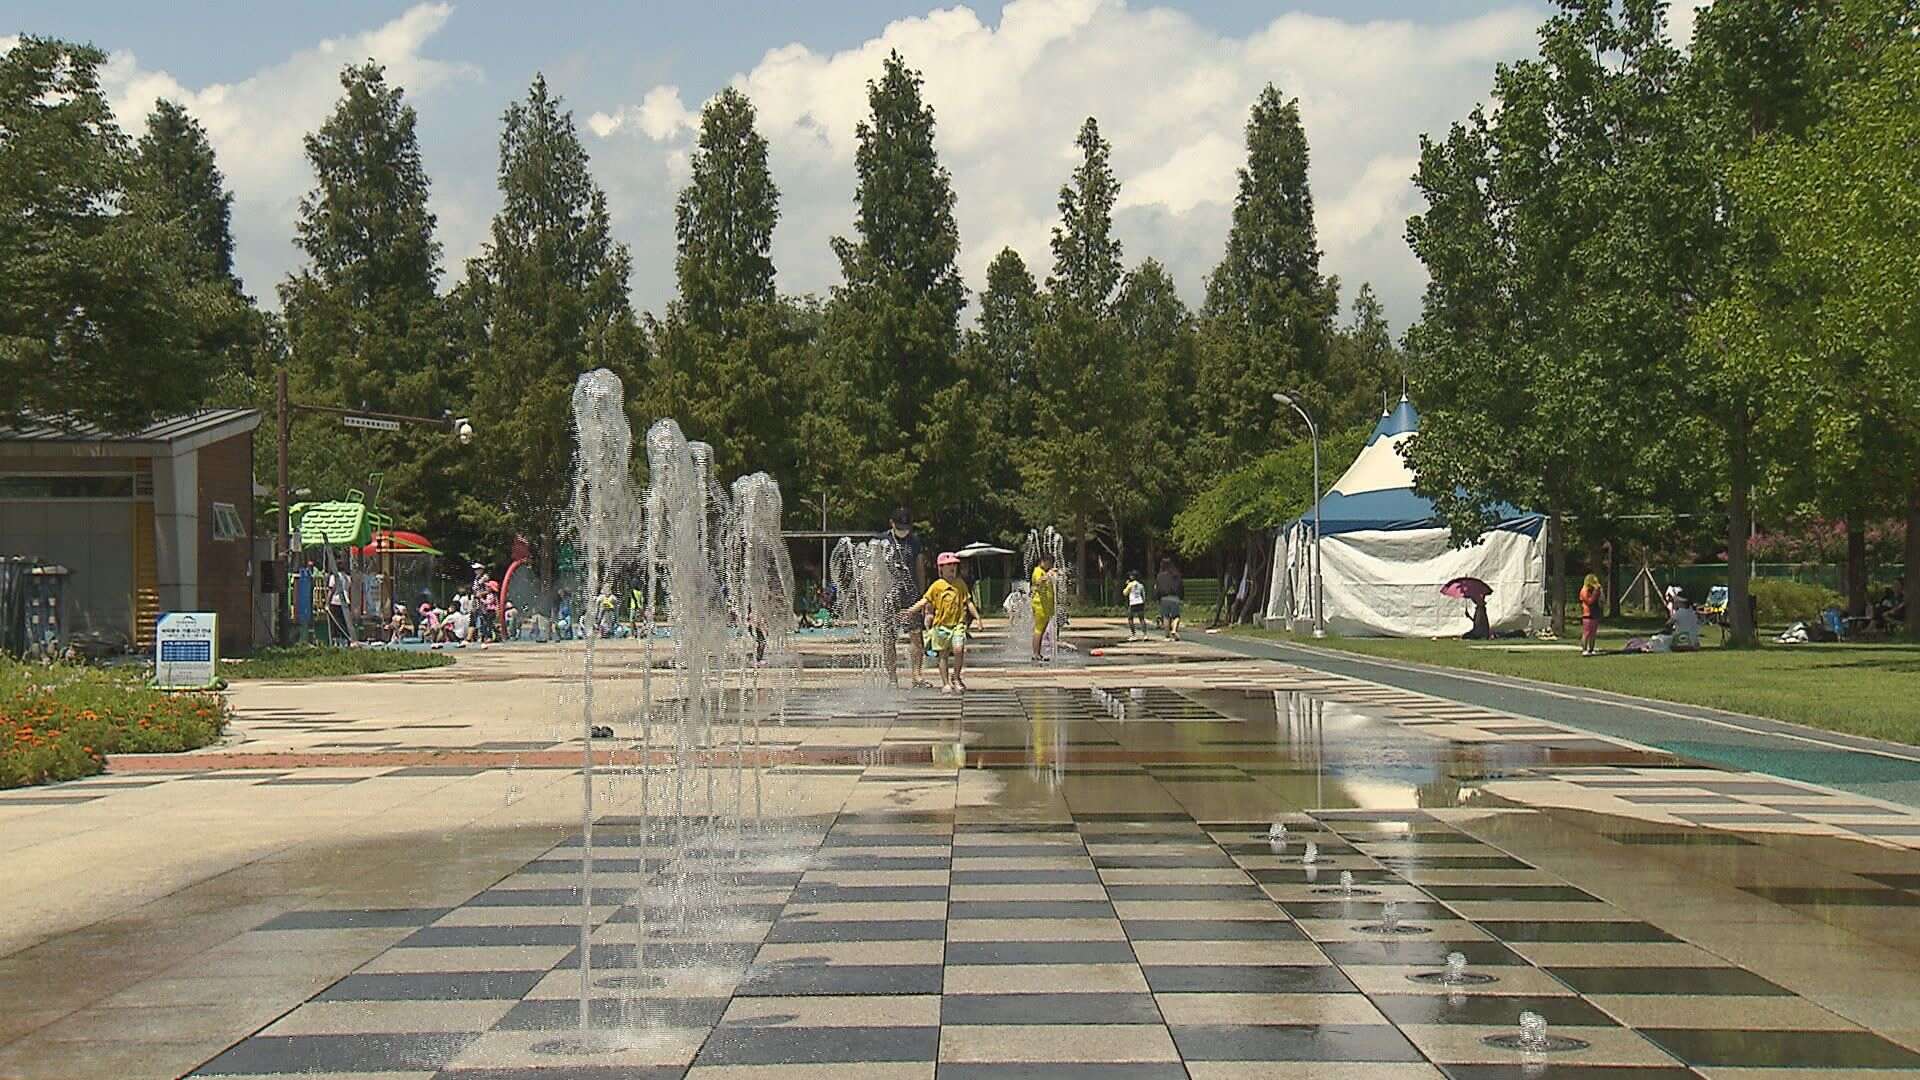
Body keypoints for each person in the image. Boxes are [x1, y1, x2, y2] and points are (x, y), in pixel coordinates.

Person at [900, 552, 982, 693]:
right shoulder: (937, 586)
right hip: (941, 626)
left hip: (957, 625)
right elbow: (925, 601)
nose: (952, 567)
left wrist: (978, 618)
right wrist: (911, 611)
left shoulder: (960, 584)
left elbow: (968, 602)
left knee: (958, 649)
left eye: (954, 565)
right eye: (948, 565)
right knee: (943, 655)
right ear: (941, 568)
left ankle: (956, 677)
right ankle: (945, 683)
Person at [881, 508, 927, 687]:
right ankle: (892, 677)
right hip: (888, 594)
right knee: (888, 637)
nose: (903, 530)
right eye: (899, 526)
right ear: (891, 523)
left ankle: (917, 675)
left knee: (916, 634)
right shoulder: (882, 541)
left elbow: (920, 567)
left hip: (910, 594)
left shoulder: (914, 542)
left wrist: (922, 596)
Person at [1031, 552, 1059, 661]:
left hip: (1045, 606)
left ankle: (1038, 653)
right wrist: (1048, 575)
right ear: (1043, 561)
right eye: (1050, 563)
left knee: (1042, 630)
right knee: (1038, 629)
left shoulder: (1043, 571)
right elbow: (1038, 582)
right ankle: (1035, 653)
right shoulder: (1038, 571)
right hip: (1040, 605)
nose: (1050, 565)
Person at [1155, 559, 1184, 641]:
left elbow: (1158, 588)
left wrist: (1158, 598)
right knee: (1176, 616)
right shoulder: (1176, 575)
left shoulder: (1160, 576)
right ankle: (1174, 629)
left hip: (1164, 598)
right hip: (1175, 597)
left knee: (1166, 617)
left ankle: (1167, 636)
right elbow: (1181, 587)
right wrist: (1181, 597)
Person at [326, 563, 353, 644]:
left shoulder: (334, 577)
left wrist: (327, 603)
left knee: (335, 623)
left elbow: (331, 590)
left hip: (335, 601)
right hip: (346, 601)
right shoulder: (348, 578)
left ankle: (336, 640)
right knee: (344, 622)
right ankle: (345, 640)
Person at [1579, 574, 1603, 656]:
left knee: (1593, 633)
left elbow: (1601, 600)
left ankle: (1591, 649)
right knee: (1587, 633)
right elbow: (1589, 601)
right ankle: (1584, 649)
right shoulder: (1584, 590)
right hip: (1587, 614)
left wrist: (1600, 592)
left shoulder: (1594, 590)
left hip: (1595, 613)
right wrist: (1595, 593)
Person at [1124, 570, 1148, 641]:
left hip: (1133, 603)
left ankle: (1133, 635)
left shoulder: (1130, 584)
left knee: (1130, 618)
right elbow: (1143, 595)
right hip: (1140, 602)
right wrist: (1144, 602)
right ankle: (1145, 635)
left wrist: (1127, 585)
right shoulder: (1141, 585)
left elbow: (1125, 593)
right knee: (1142, 619)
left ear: (1133, 577)